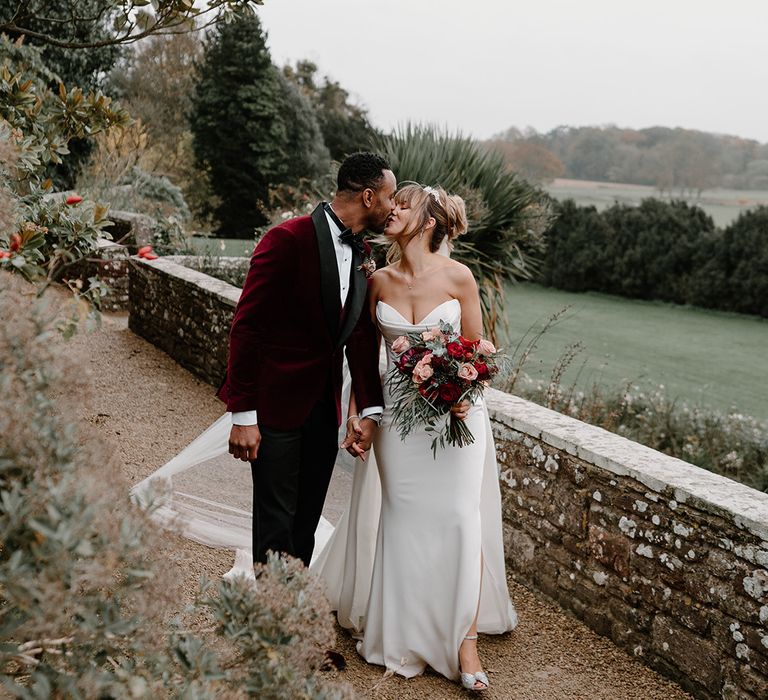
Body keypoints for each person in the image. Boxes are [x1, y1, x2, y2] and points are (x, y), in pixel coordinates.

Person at [311, 184, 517, 692]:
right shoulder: (376, 280)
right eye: (392, 202)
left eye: (404, 204)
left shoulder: (459, 277)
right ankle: (398, 633)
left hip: (458, 419)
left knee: (457, 519)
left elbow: (481, 354)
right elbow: (362, 361)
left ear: (428, 221)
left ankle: (464, 643)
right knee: (402, 520)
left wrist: (462, 384)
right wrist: (360, 415)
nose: (393, 209)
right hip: (400, 424)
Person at [216, 152, 396, 567]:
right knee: (276, 523)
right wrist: (242, 413)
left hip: (323, 411)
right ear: (369, 196)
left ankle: (292, 612)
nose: (392, 207)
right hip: (275, 409)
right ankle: (269, 623)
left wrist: (369, 408)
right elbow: (247, 327)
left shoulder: (365, 254)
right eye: (388, 197)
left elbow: (361, 337)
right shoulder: (286, 240)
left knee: (306, 522)